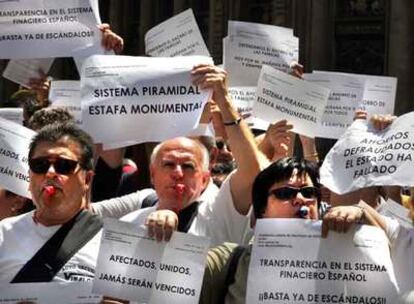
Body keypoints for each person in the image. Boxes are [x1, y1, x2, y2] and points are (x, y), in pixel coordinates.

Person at [93, 64, 269, 246]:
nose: (178, 173)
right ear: (152, 175)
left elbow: (251, 170)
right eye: (169, 164)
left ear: (204, 179)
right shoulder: (128, 223)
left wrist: (224, 101)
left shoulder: (219, 213)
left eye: (188, 166)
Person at [200, 157, 325, 303]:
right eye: (285, 193)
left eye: (309, 192)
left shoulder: (339, 260)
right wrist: (166, 230)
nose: (300, 199)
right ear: (262, 209)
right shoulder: (228, 261)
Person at [0, 123, 101, 283]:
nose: (50, 173)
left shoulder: (112, 244)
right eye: (40, 165)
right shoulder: (3, 235)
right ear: (29, 175)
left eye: (64, 166)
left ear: (87, 179)